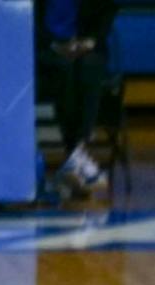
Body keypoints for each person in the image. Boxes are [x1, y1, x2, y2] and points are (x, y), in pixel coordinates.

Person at [35, 0, 118, 195]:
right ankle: (76, 155)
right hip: (45, 50)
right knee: (64, 69)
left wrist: (89, 42)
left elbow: (106, 13)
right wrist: (53, 44)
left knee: (90, 66)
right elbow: (29, 22)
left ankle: (77, 150)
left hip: (85, 47)